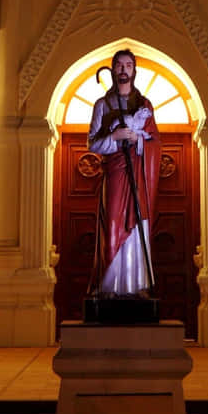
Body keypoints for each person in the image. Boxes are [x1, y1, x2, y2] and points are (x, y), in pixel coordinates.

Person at [88, 49, 161, 297]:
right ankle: (110, 287)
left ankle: (136, 285)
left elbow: (155, 141)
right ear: (113, 69)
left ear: (134, 70)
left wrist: (138, 139)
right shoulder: (103, 105)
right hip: (116, 173)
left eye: (128, 65)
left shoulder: (144, 105)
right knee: (113, 224)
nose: (123, 70)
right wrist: (116, 137)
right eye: (119, 65)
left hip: (138, 174)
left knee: (138, 222)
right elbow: (93, 143)